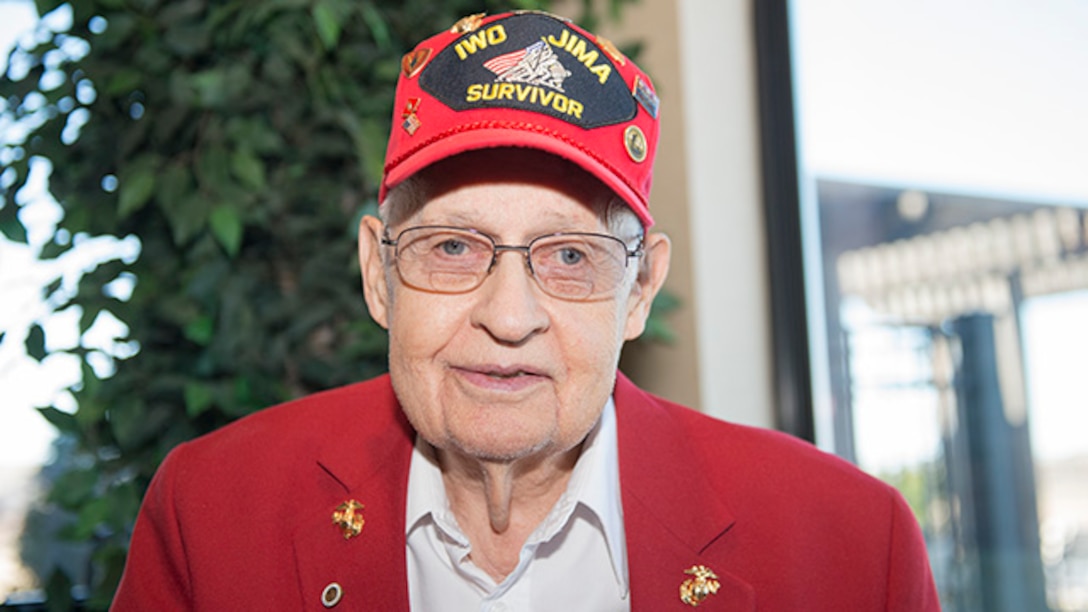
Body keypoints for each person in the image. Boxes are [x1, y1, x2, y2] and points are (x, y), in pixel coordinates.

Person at [112, 11, 939, 611]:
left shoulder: (852, 547)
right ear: (377, 274)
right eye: (453, 248)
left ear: (639, 291)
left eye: (571, 256)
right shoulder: (210, 511)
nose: (509, 317)